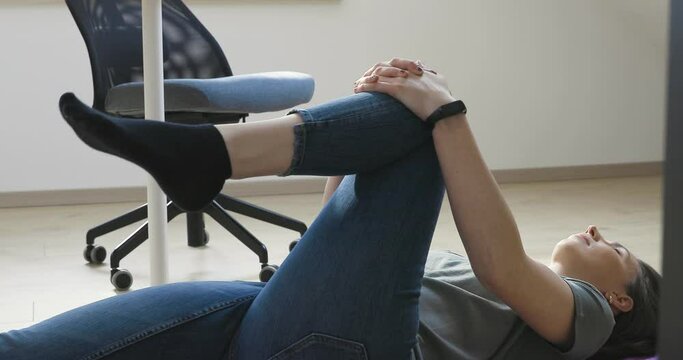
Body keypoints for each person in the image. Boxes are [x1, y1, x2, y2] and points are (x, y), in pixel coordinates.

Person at [0, 58, 659, 360]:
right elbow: (333, 240)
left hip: (360, 348)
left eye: (616, 250)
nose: (598, 232)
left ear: (621, 298)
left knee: (422, 128)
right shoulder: (450, 276)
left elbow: (502, 265)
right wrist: (355, 136)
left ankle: (205, 156)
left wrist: (446, 113)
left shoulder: (589, 319)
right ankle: (204, 157)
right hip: (279, 316)